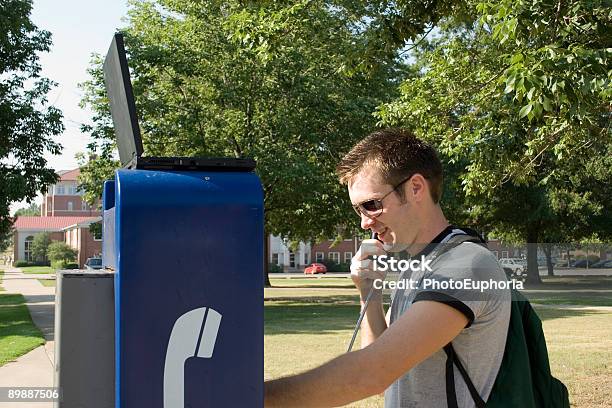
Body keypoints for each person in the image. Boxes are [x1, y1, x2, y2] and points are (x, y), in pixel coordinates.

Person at [265, 128, 510, 407]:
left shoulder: (465, 266)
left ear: (415, 188)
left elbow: (372, 374)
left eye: (371, 205)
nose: (364, 223)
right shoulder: (418, 268)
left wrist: (248, 397)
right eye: (359, 210)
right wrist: (368, 293)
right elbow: (387, 373)